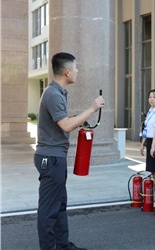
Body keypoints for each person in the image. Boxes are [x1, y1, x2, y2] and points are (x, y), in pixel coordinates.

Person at [34, 52, 104, 250]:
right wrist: (91, 108)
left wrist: (79, 119)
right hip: (51, 157)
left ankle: (63, 246)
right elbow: (65, 125)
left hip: (56, 157)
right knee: (49, 209)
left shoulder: (58, 93)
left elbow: (63, 122)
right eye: (75, 68)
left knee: (60, 205)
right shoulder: (53, 94)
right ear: (66, 71)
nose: (77, 71)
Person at [140, 89, 155, 183]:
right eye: (150, 97)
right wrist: (142, 143)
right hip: (149, 141)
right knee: (152, 171)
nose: (151, 99)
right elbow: (146, 128)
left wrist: (154, 146)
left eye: (154, 97)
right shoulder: (150, 111)